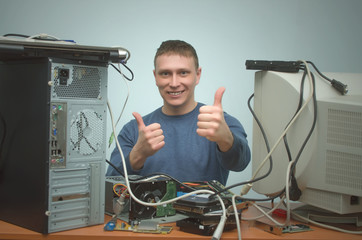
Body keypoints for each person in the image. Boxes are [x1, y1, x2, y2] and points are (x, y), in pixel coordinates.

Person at [106, 40, 250, 185]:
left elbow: (241, 164)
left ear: (197, 75)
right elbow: (111, 184)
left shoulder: (219, 124)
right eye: (165, 73)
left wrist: (226, 140)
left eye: (183, 73)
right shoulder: (133, 131)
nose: (174, 83)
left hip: (211, 208)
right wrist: (138, 155)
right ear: (155, 76)